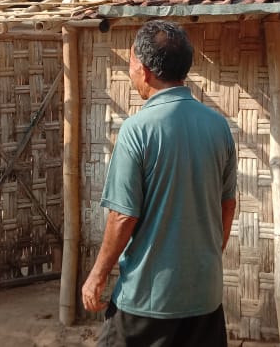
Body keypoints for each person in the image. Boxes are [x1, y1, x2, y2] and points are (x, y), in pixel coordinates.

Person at [81, 20, 238, 347]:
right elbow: (227, 205)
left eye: (131, 62)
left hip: (148, 301)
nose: (130, 71)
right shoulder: (219, 127)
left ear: (146, 69)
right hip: (204, 298)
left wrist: (96, 276)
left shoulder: (136, 131)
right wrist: (204, 258)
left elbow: (123, 216)